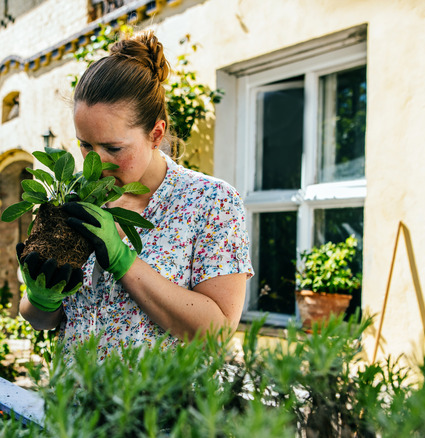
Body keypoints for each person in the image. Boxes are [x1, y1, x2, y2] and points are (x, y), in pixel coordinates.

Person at [18, 29, 253, 361]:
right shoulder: (75, 202)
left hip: (159, 409)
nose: (95, 163)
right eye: (85, 144)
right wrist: (41, 296)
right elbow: (40, 320)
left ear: (156, 134)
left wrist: (123, 261)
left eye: (113, 147)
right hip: (71, 408)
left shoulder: (211, 202)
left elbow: (216, 334)